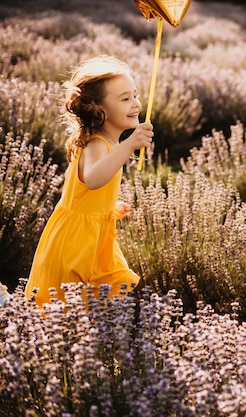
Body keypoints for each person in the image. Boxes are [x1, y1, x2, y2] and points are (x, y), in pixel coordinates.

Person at [25, 55, 153, 308]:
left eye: (135, 95)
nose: (135, 104)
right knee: (65, 307)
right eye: (125, 98)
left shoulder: (108, 142)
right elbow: (93, 179)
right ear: (99, 109)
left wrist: (109, 207)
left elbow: (85, 190)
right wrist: (130, 145)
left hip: (94, 236)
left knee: (105, 299)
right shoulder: (97, 143)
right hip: (76, 242)